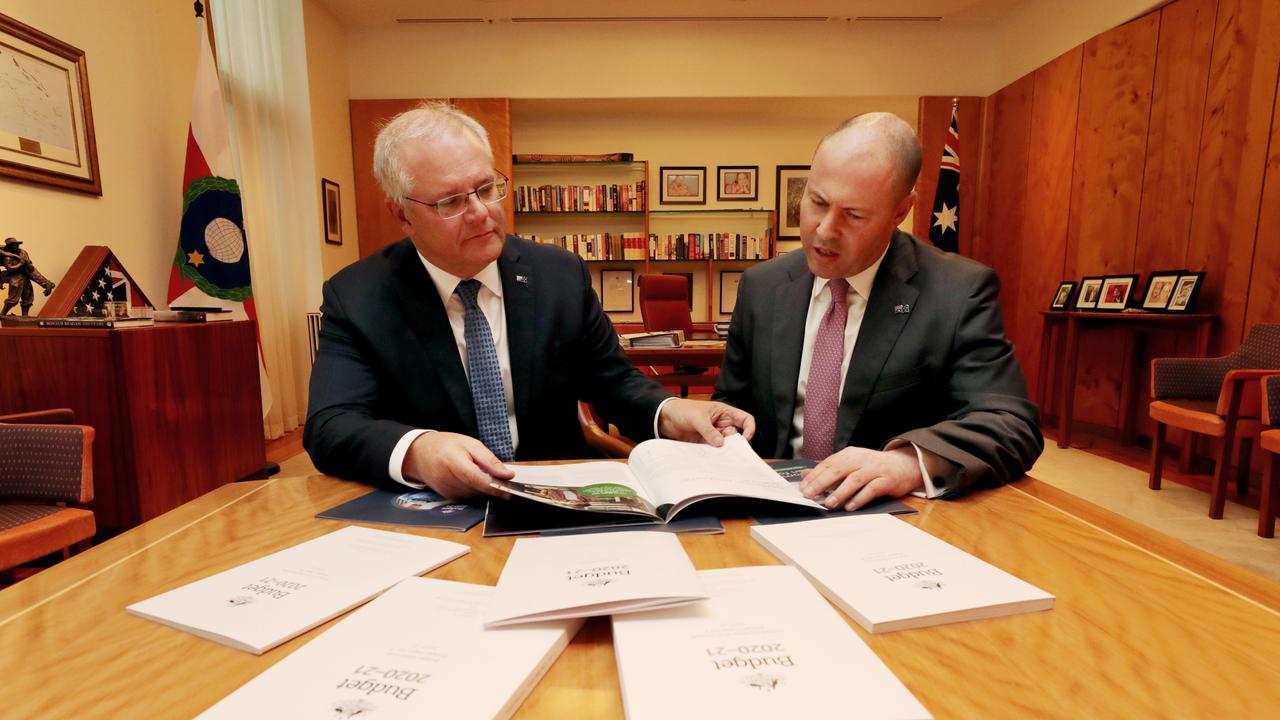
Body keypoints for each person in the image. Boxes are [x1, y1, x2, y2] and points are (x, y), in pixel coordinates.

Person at [304, 102, 753, 498]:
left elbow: (614, 384)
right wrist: (419, 451)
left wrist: (672, 411)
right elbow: (331, 425)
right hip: (435, 506)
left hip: (560, 496)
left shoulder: (558, 275)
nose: (481, 212)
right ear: (402, 213)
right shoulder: (359, 296)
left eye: (484, 189)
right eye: (450, 202)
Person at [713, 113, 1041, 511]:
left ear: (901, 211)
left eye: (854, 215)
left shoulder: (958, 292)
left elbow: (1010, 424)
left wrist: (906, 464)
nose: (824, 230)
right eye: (816, 201)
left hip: (890, 516)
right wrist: (727, 426)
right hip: (771, 507)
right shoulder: (762, 287)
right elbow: (732, 403)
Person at [0, 237, 56, 316]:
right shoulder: (7, 257)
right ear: (10, 247)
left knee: (28, 296)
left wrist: (28, 264)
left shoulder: (22, 252)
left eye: (17, 244)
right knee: (13, 299)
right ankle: (3, 314)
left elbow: (30, 268)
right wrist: (20, 264)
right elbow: (10, 269)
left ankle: (25, 315)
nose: (16, 246)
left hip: (24, 274)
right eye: (14, 245)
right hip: (15, 276)